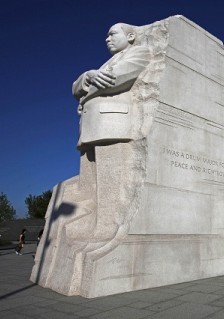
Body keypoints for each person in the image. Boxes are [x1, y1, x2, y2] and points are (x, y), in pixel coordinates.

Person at [69, 22, 152, 240]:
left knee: (111, 185)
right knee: (91, 185)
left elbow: (114, 80)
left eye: (112, 34)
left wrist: (86, 93)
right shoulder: (105, 64)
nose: (107, 39)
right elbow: (74, 88)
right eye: (106, 36)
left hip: (112, 125)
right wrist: (88, 75)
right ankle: (93, 228)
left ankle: (108, 232)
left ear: (131, 36)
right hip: (91, 127)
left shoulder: (140, 52)